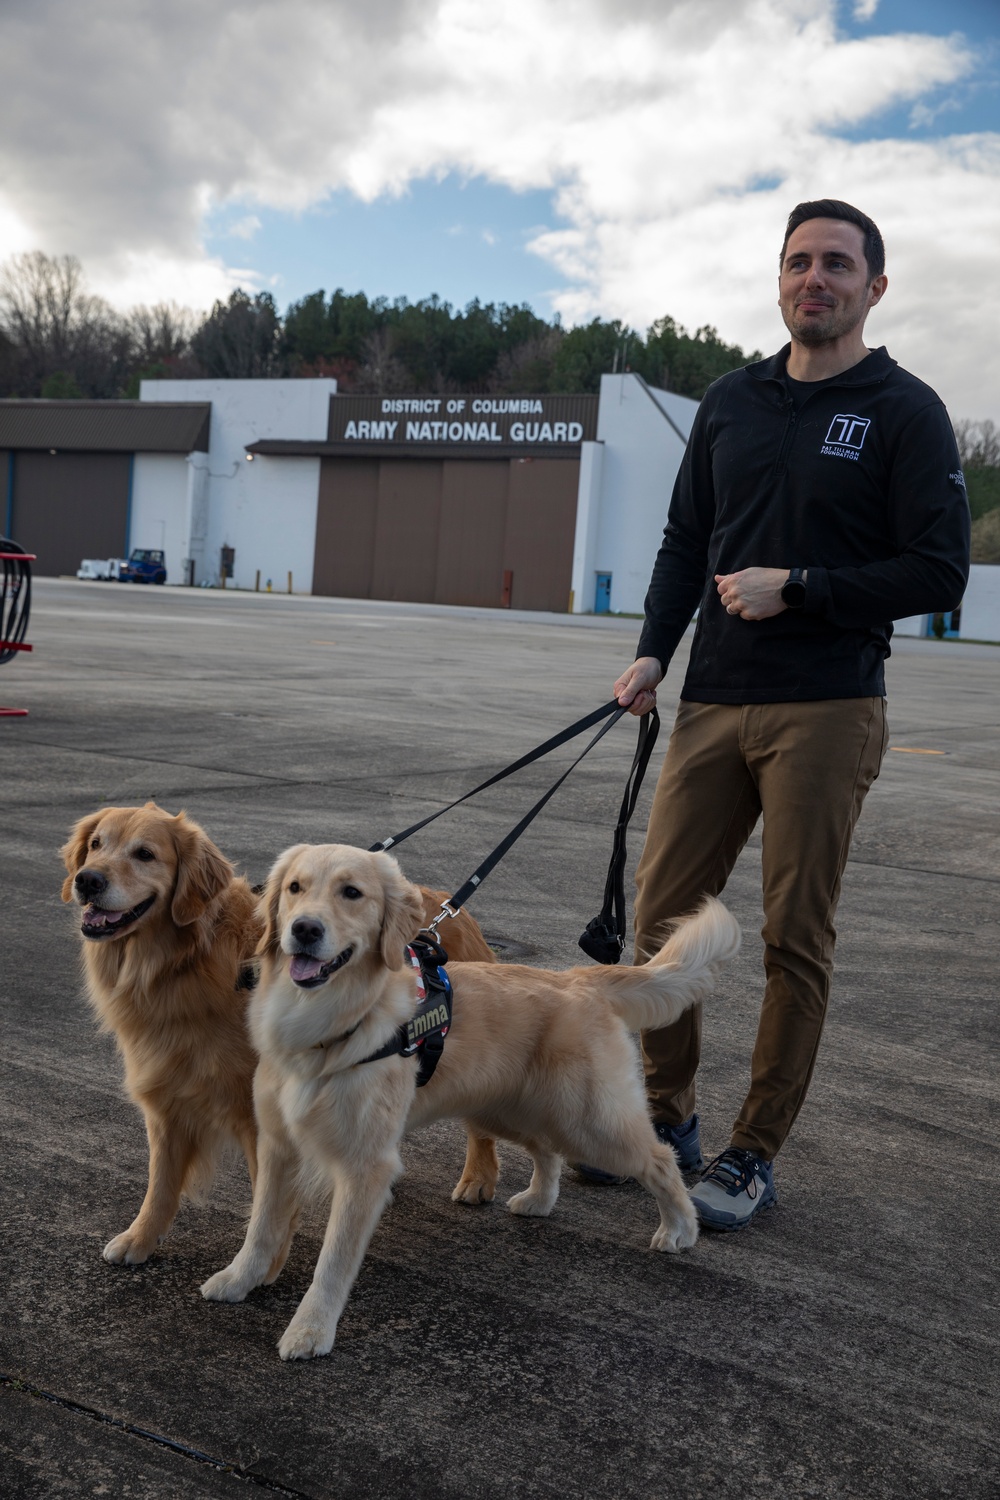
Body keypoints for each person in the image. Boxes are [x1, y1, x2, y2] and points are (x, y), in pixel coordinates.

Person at [607, 199, 970, 1230]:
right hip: (713, 697)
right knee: (660, 918)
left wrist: (798, 585)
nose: (816, 278)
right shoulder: (731, 401)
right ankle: (665, 1118)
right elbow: (686, 539)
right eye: (799, 262)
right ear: (778, 281)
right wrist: (649, 653)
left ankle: (750, 1152)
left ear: (873, 287)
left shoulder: (903, 409)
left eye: (838, 265)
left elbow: (938, 567)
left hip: (827, 705)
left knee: (790, 938)